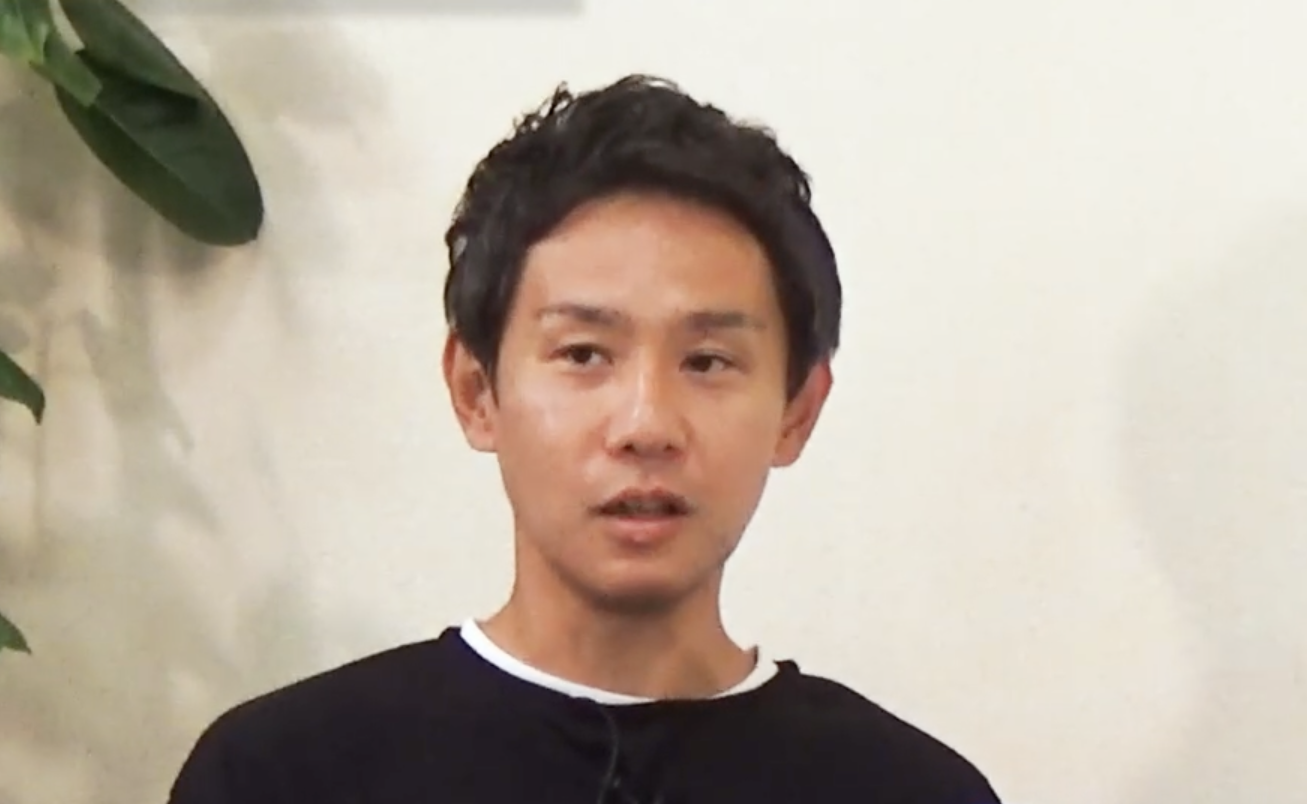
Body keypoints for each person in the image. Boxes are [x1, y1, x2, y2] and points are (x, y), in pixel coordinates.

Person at [167, 74, 1001, 804]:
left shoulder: (909, 791)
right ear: (476, 391)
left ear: (797, 411)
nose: (645, 425)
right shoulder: (283, 774)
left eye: (707, 361)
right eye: (583, 354)